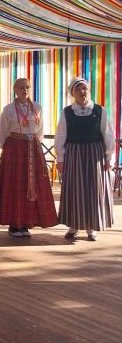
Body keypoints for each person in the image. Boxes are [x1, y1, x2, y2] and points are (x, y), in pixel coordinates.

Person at [55, 77, 115, 241]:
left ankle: (91, 227)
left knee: (93, 190)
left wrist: (109, 156)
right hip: (74, 154)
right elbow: (61, 135)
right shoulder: (67, 112)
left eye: (84, 88)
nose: (82, 91)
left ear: (89, 90)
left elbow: (108, 135)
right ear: (72, 93)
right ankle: (73, 226)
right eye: (78, 89)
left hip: (95, 154)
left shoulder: (100, 110)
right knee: (75, 189)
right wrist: (60, 158)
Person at [0, 78, 57, 237]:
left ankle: (26, 222)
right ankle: (14, 224)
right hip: (15, 148)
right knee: (15, 185)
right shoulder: (9, 109)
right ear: (15, 90)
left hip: (32, 147)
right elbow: (2, 133)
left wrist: (34, 144)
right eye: (21, 87)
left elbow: (40, 130)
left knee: (32, 184)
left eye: (28, 87)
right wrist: (9, 150)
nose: (25, 90)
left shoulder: (37, 107)